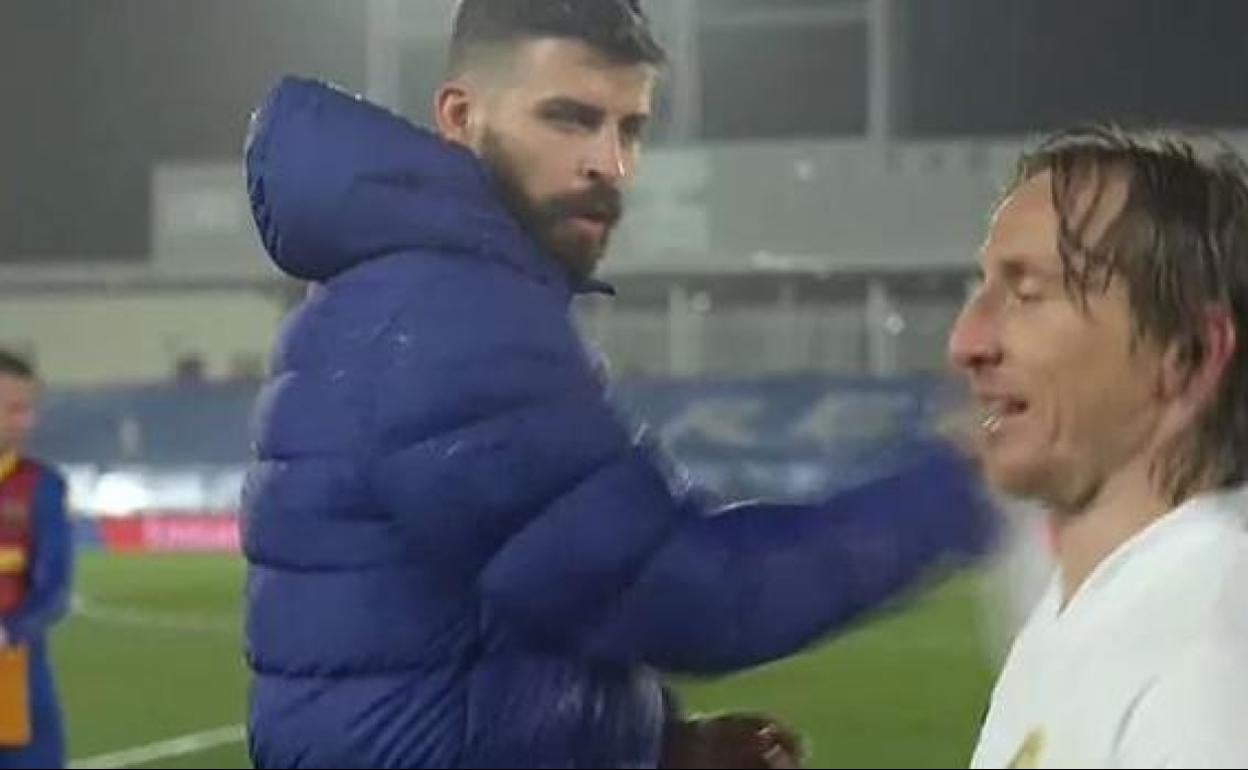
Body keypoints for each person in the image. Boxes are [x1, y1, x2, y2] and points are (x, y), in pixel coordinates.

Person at [241, 1, 995, 767]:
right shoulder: (447, 315)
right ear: (460, 118)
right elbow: (687, 595)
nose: (611, 164)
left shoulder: (422, 290)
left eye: (629, 128)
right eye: (569, 119)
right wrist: (960, 489)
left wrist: (657, 747)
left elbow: (519, 615)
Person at [951, 126, 1248, 768]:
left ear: (1188, 355)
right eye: (984, 289)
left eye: (1028, 294)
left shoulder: (1213, 659)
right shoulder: (1099, 605)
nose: (967, 342)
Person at [0, 350, 72, 770]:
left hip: (15, 674)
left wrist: (9, 631)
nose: (26, 422)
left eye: (28, 409)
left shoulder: (40, 487)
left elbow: (55, 590)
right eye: (13, 409)